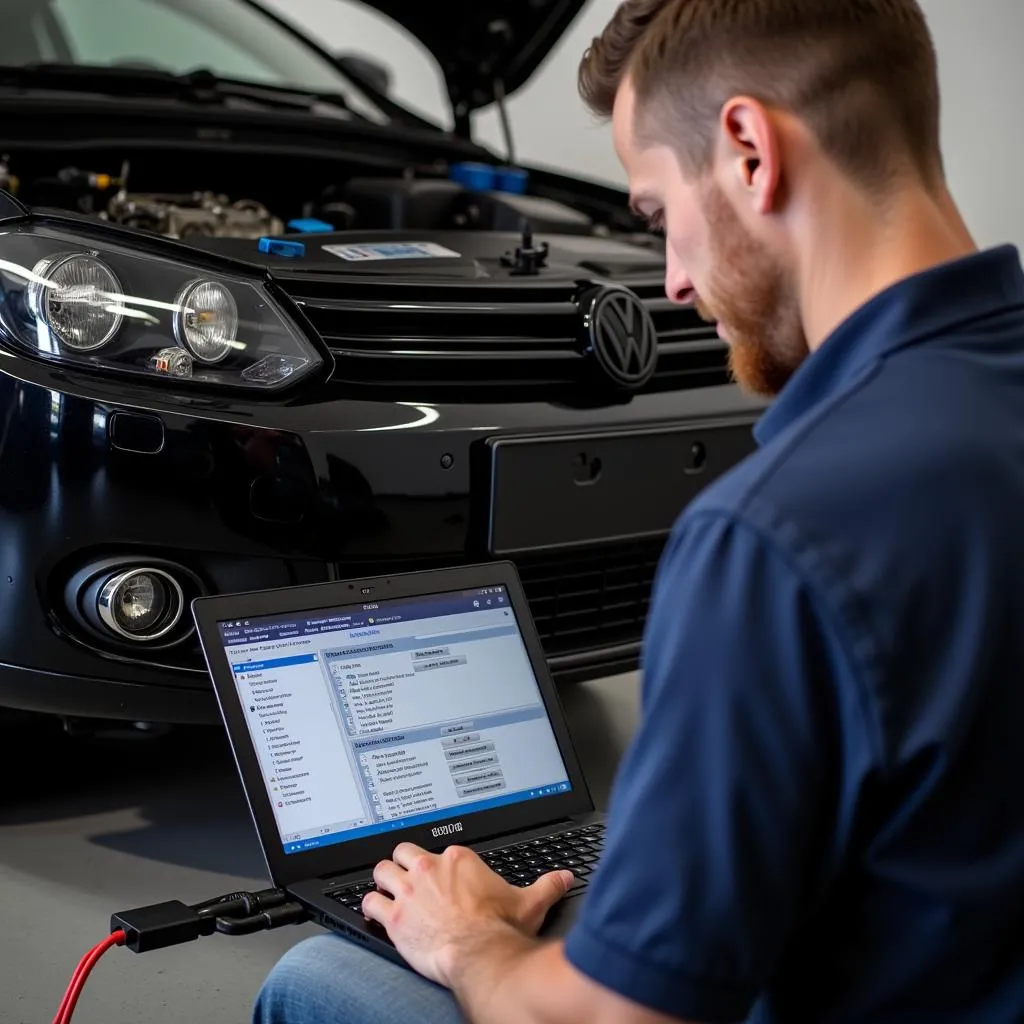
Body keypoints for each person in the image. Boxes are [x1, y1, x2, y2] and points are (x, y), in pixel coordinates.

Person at [253, 0, 1024, 1021]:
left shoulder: (775, 533)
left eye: (658, 215)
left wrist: (472, 940)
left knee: (311, 983)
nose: (667, 284)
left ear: (749, 149)